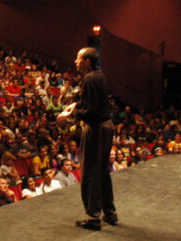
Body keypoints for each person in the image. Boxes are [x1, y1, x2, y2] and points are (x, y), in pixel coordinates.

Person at [57, 47, 117, 230]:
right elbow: (93, 102)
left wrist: (70, 114)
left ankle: (93, 217)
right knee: (103, 171)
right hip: (107, 126)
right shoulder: (100, 76)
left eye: (78, 59)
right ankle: (110, 212)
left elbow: (89, 111)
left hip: (96, 129)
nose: (75, 62)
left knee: (90, 172)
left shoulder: (89, 79)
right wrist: (76, 104)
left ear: (87, 62)